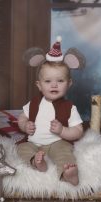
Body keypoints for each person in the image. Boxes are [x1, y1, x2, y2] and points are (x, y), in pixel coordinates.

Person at [17, 36, 85, 186]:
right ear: (39, 85)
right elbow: (21, 118)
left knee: (64, 154)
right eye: (48, 81)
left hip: (57, 142)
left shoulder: (69, 107)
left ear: (69, 84)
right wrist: (25, 125)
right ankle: (36, 162)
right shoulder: (34, 103)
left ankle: (68, 174)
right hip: (33, 143)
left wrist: (62, 131)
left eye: (60, 81)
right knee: (21, 150)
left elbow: (78, 131)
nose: (54, 85)